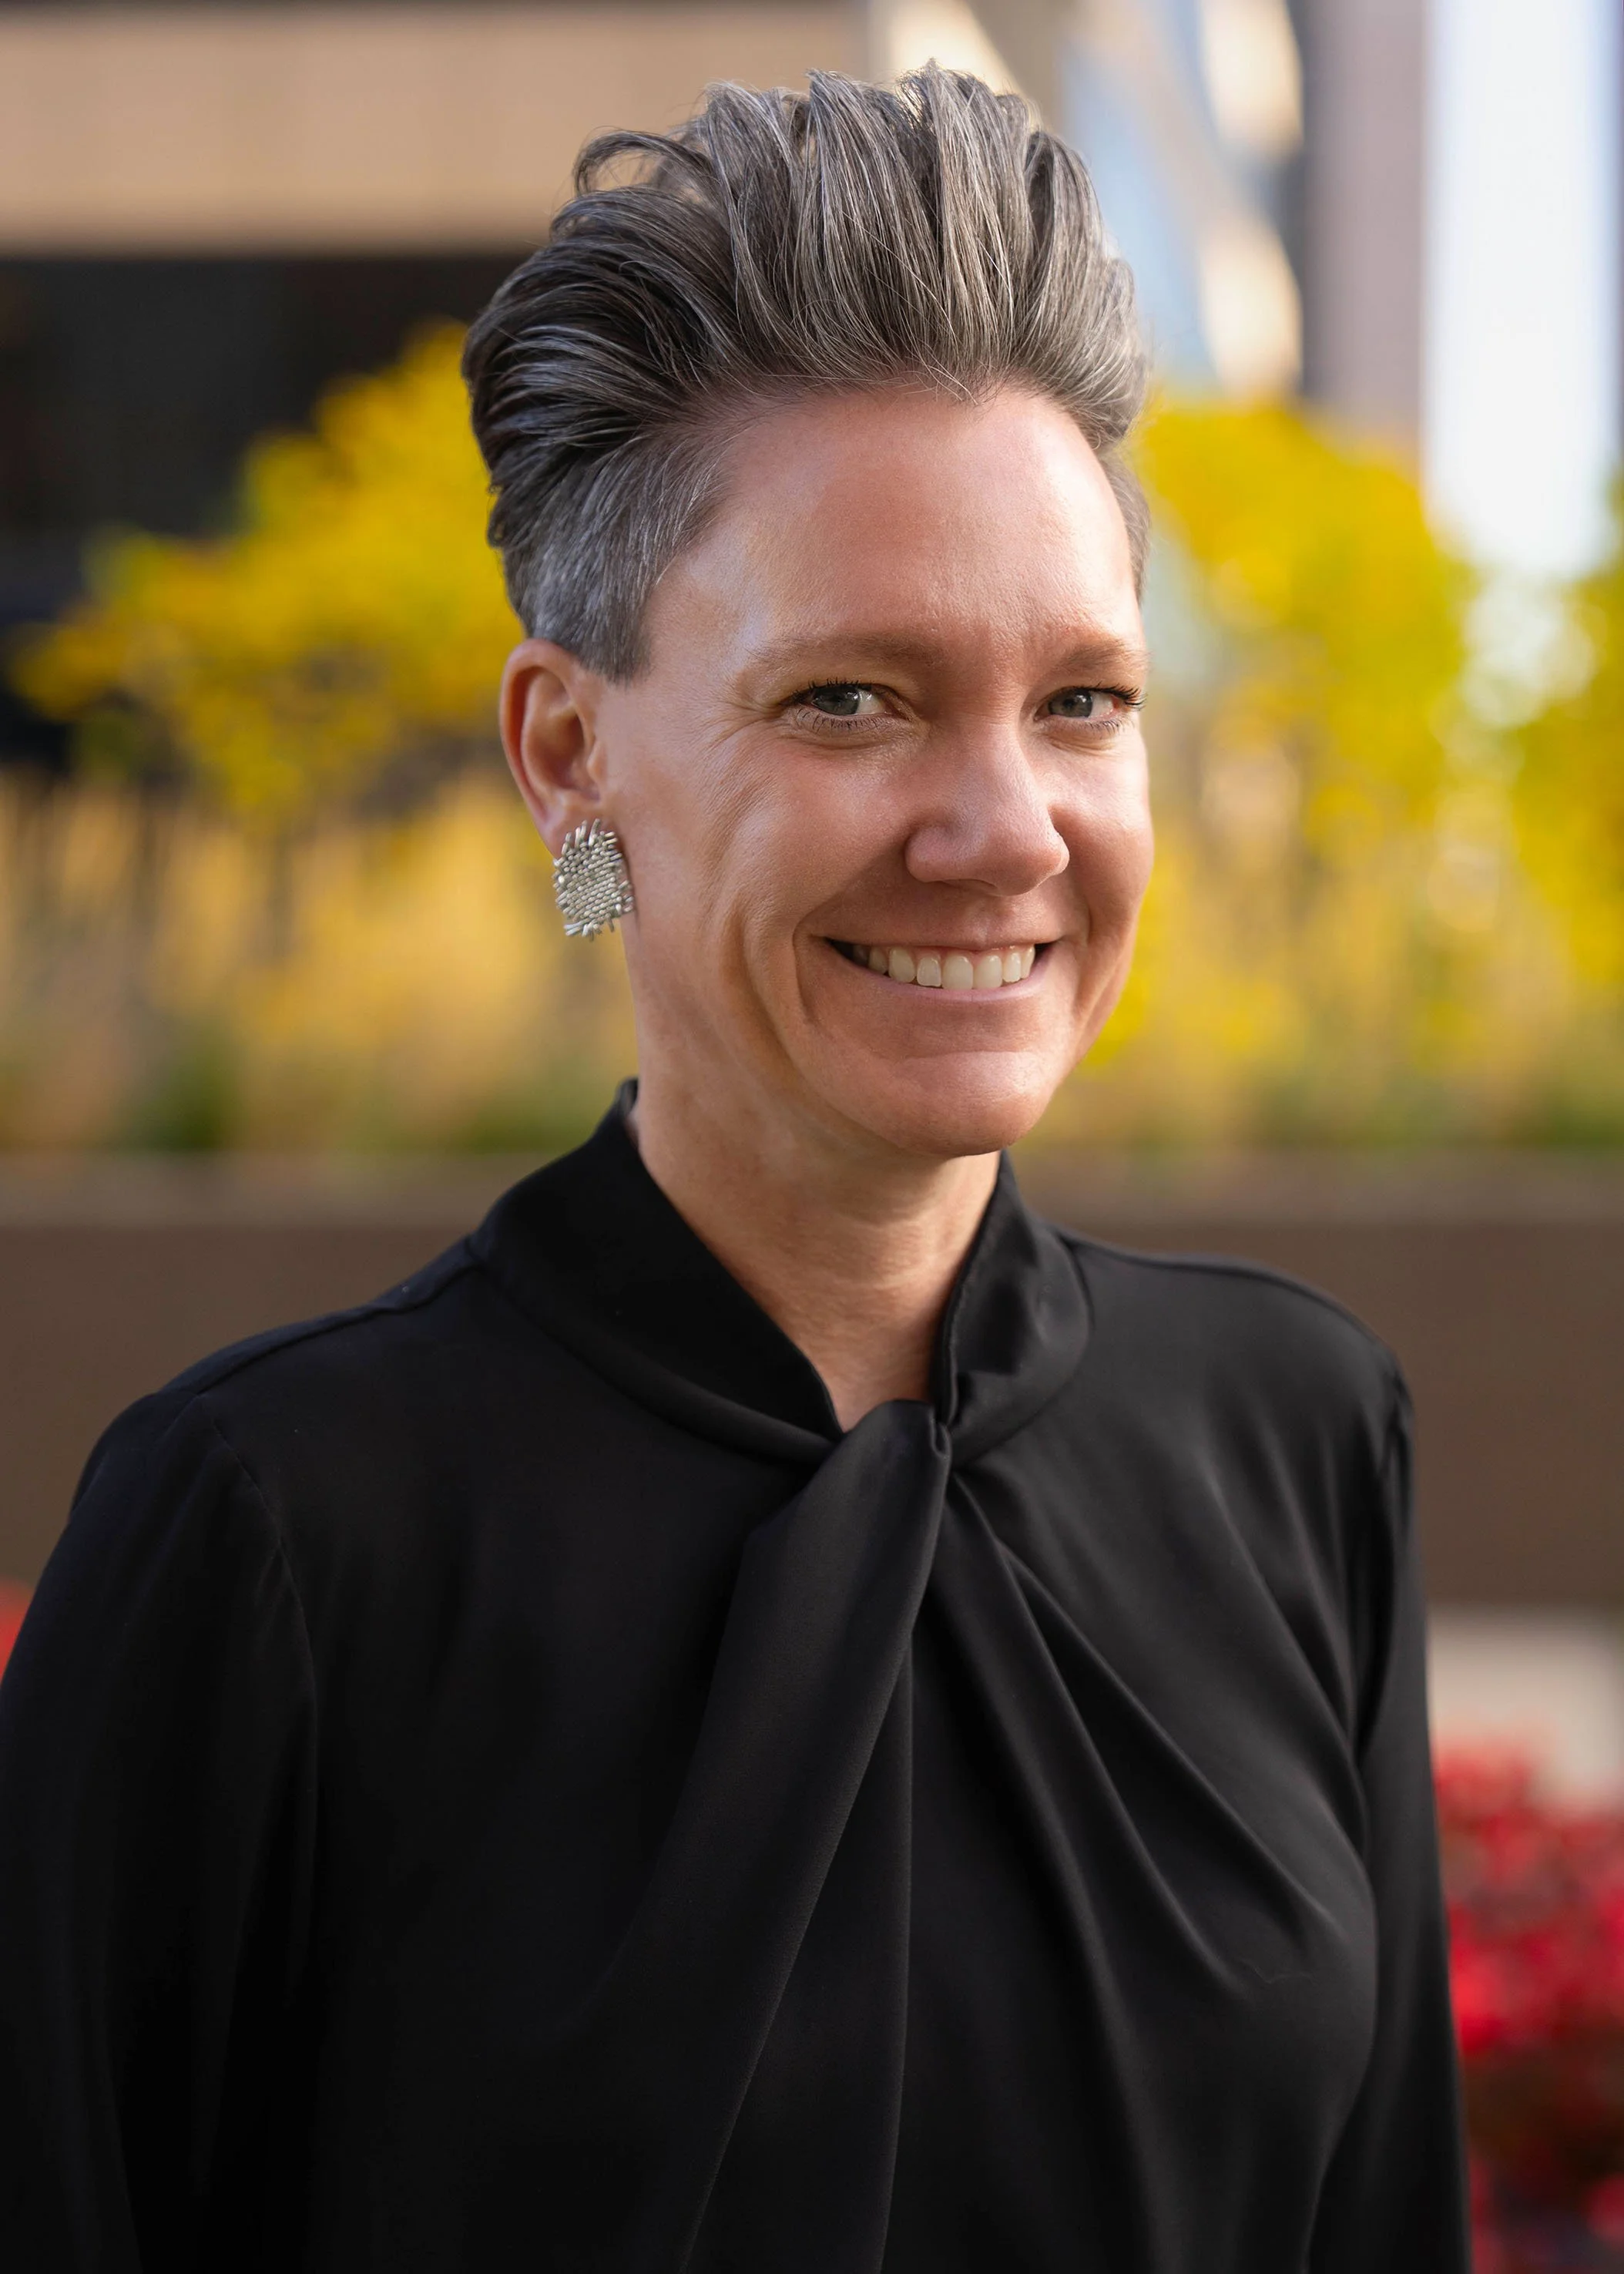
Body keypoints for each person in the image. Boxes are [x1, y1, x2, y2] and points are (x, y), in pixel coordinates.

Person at [0, 66, 1468, 2273]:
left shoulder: (1298, 1435)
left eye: (1081, 701)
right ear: (567, 751)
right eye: (850, 701)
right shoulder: (274, 1533)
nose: (1003, 831)